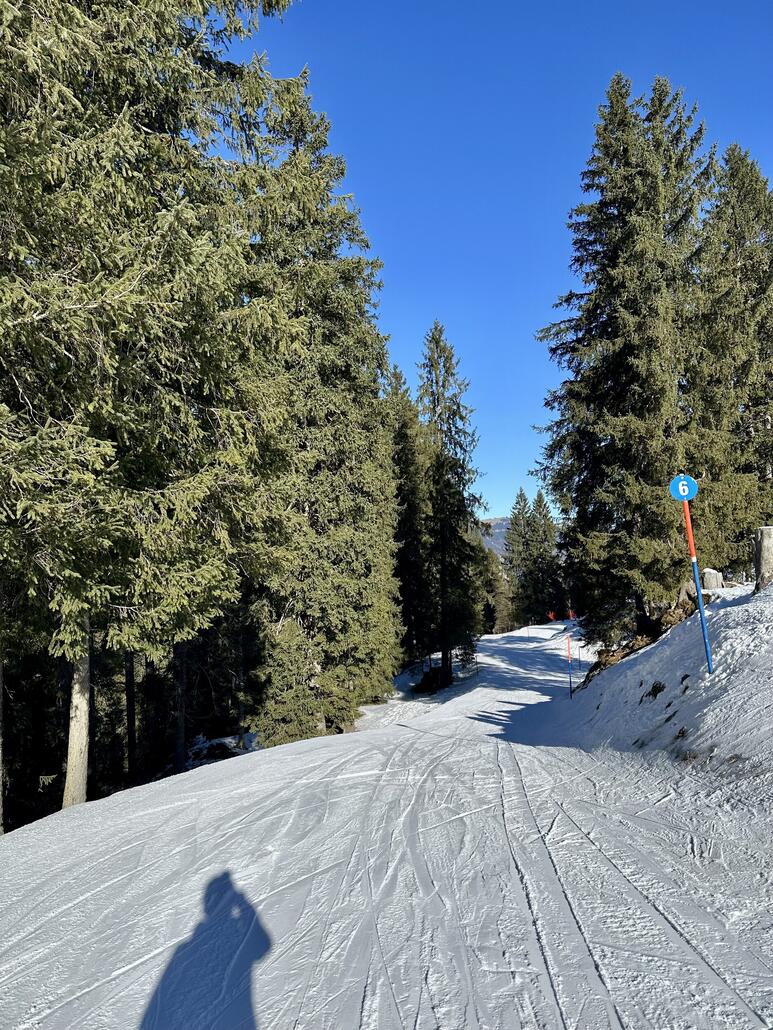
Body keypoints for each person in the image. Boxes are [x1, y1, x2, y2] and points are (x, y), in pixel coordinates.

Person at [140, 871, 271, 1030]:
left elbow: (165, 997)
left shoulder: (188, 949)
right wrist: (241, 901)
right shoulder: (238, 940)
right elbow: (262, 945)